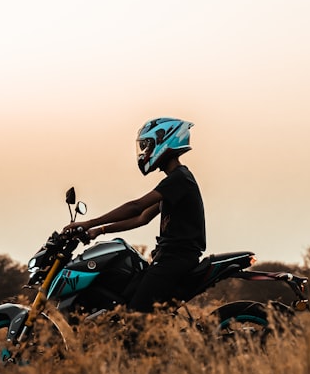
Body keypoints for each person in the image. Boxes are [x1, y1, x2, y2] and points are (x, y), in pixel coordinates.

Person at [63, 117, 206, 312]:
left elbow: (136, 207)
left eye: (148, 146)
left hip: (176, 259)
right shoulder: (175, 181)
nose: (145, 152)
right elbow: (142, 218)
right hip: (168, 257)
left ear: (165, 142)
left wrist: (88, 223)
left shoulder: (179, 179)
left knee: (136, 314)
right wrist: (99, 231)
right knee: (124, 296)